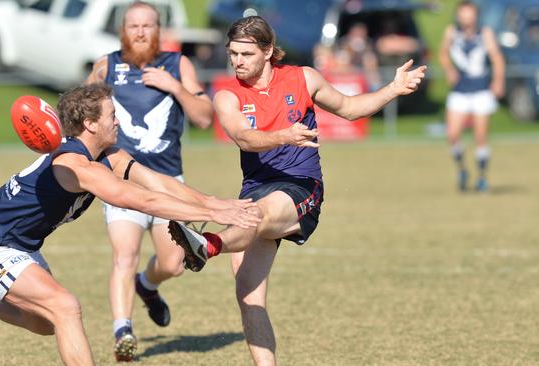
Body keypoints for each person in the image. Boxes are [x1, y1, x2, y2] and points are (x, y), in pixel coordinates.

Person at [0, 84, 260, 366]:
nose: (118, 120)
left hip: (24, 247)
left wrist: (216, 204)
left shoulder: (107, 153)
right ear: (90, 124)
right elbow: (141, 200)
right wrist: (214, 216)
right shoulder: (72, 165)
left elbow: (157, 183)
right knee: (65, 307)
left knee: (47, 323)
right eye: (111, 115)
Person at [167, 15, 426, 366]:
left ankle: (208, 245)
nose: (237, 61)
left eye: (245, 54)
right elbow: (244, 137)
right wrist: (283, 135)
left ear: (268, 51)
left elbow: (349, 108)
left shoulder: (303, 78)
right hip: (256, 190)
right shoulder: (226, 95)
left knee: (255, 216)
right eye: (233, 54)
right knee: (249, 296)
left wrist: (393, 88)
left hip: (300, 188)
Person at [85, 2, 214, 361]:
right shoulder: (106, 65)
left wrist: (175, 87)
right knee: (124, 256)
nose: (140, 32)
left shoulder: (178, 64)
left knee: (174, 262)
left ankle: (148, 285)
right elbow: (80, 114)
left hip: (167, 180)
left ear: (159, 29)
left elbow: (204, 118)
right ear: (122, 29)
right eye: (133, 25)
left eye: (147, 25)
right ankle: (122, 331)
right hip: (121, 183)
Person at [439, 0, 505, 192]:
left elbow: (497, 58)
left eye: (470, 14)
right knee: (452, 135)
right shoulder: (451, 32)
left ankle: (482, 177)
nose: (466, 18)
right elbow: (443, 54)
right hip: (460, 90)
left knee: (480, 136)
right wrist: (449, 69)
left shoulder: (485, 33)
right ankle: (462, 169)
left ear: (475, 16)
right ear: (458, 15)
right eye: (463, 14)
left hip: (481, 91)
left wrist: (498, 81)